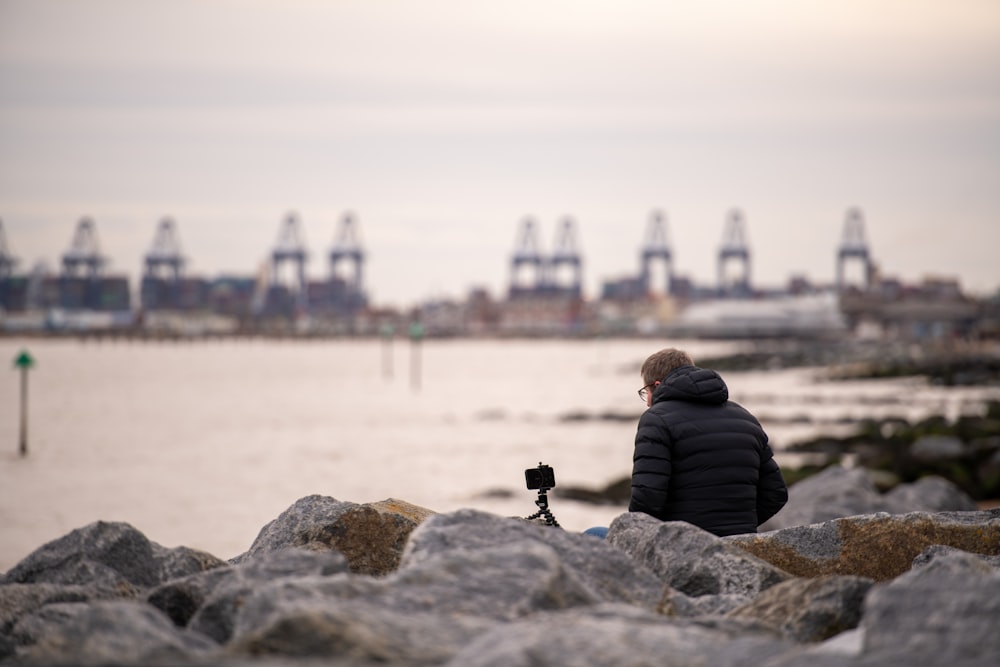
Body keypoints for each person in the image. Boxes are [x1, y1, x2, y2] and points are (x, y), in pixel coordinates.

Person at [626, 347, 787, 537]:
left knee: (594, 535)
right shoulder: (745, 417)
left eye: (646, 392)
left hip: (682, 543)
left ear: (658, 385)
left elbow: (647, 498)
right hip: (741, 541)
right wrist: (737, 528)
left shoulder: (656, 418)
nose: (647, 402)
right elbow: (776, 493)